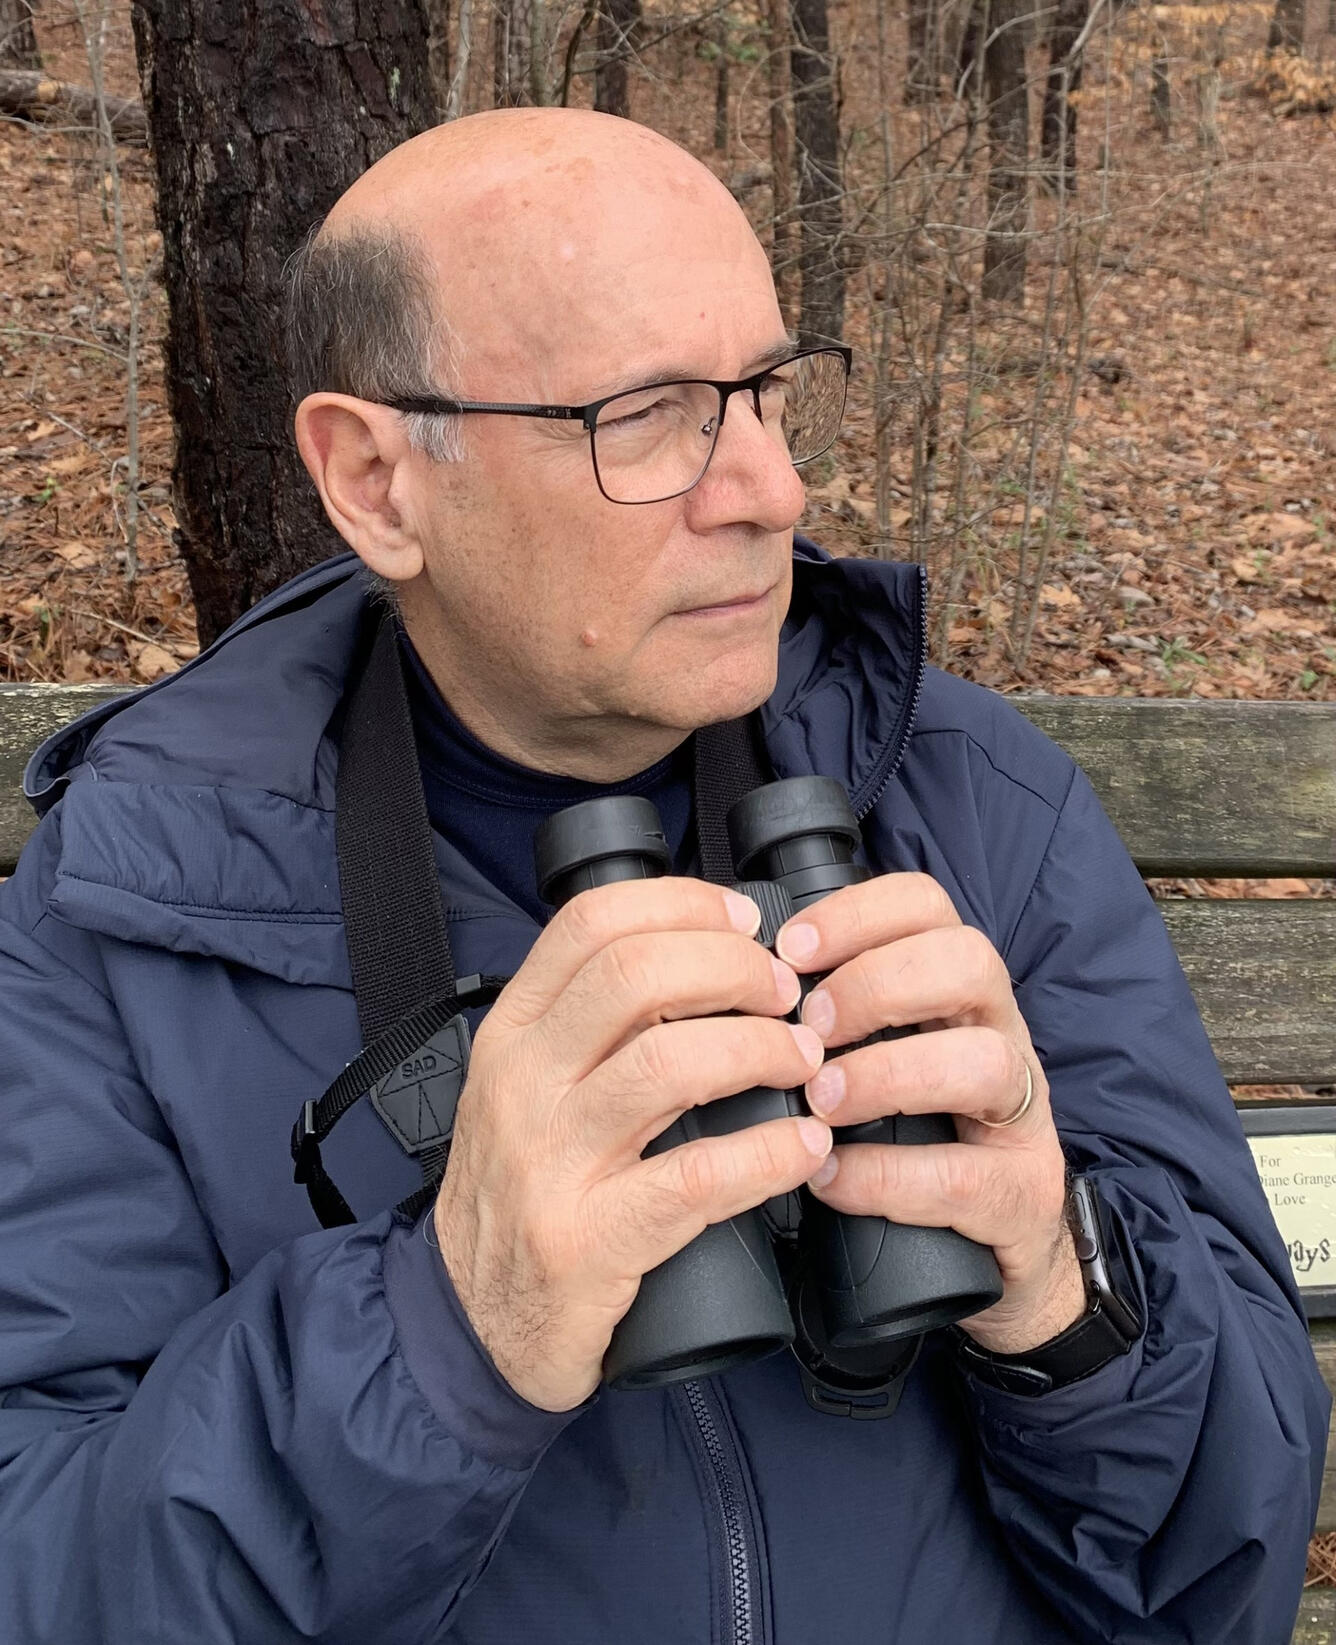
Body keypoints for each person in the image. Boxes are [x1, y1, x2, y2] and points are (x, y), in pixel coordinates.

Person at [0, 107, 1326, 1645]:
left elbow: (1232, 1554)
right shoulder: (138, 905)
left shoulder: (973, 805)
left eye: (765, 392)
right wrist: (443, 1334)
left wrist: (1062, 1288)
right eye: (647, 415)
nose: (767, 487)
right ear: (376, 479)